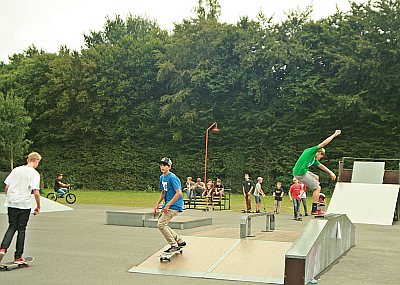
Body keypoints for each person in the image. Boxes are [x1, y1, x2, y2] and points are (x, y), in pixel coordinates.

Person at [0, 152, 42, 263]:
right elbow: (36, 192)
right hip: (24, 204)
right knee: (21, 229)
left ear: (28, 159)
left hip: (12, 203)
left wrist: (9, 197)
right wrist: (38, 206)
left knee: (12, 226)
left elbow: (7, 186)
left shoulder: (16, 170)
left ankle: (3, 249)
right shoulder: (34, 173)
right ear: (36, 161)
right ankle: (18, 256)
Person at [292, 130, 341, 215]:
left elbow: (321, 166)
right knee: (317, 187)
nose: (321, 158)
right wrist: (334, 134)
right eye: (321, 156)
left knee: (316, 177)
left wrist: (331, 172)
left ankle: (316, 195)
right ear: (319, 153)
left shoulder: (313, 160)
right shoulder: (310, 152)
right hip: (300, 174)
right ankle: (314, 209)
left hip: (304, 172)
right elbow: (323, 144)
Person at [154, 157, 186, 253]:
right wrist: (157, 205)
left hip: (175, 205)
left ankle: (174, 245)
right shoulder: (162, 177)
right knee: (163, 224)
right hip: (168, 204)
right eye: (161, 165)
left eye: (164, 165)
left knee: (161, 224)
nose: (162, 167)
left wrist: (168, 205)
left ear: (169, 167)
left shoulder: (172, 177)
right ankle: (179, 241)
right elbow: (163, 192)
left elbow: (179, 193)